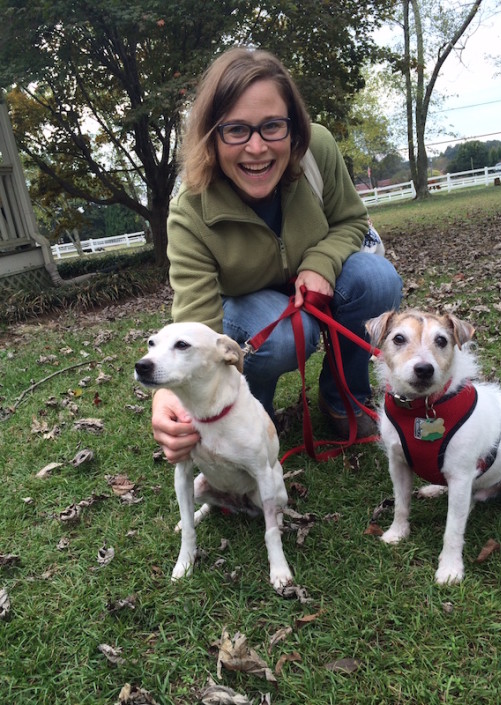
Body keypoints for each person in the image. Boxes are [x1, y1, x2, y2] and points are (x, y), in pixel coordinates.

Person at [152, 47, 402, 464]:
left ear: (294, 127)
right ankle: (249, 411)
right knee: (290, 335)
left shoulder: (317, 149)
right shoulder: (189, 210)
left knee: (377, 279)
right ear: (212, 135)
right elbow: (194, 322)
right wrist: (166, 394)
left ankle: (343, 396)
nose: (257, 148)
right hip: (249, 310)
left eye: (272, 126)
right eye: (235, 130)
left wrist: (320, 264)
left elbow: (351, 220)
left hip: (314, 284)